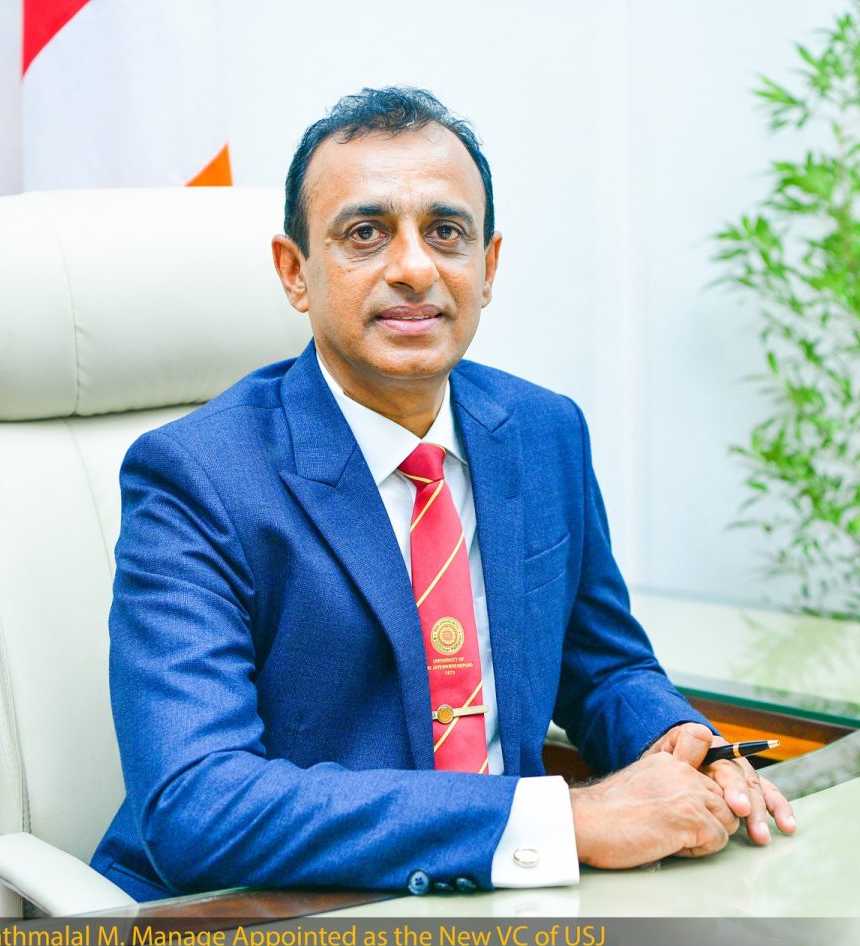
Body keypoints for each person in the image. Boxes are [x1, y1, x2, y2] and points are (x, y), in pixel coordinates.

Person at [90, 86, 796, 902]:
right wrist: (561, 821)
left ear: (486, 269)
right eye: (365, 233)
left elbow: (604, 667)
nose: (415, 268)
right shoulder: (196, 477)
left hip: (513, 912)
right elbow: (199, 806)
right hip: (273, 924)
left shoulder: (544, 432)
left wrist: (682, 742)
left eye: (445, 233)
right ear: (294, 272)